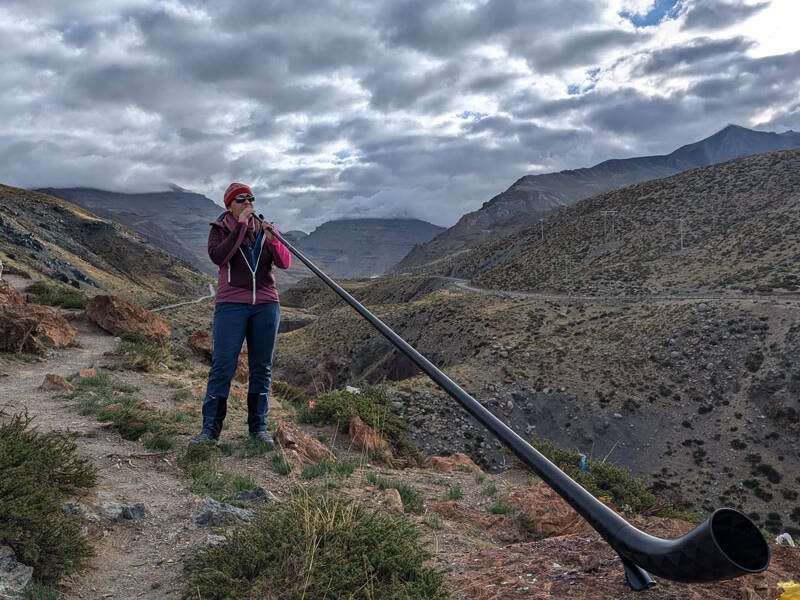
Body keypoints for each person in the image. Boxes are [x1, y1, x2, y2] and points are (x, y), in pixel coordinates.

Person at [189, 182, 291, 446]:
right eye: (241, 200)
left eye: (251, 199)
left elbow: (285, 262)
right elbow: (219, 257)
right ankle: (210, 431)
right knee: (222, 366)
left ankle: (258, 429)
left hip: (267, 305)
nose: (248, 204)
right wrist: (242, 227)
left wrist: (273, 240)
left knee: (262, 368)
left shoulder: (266, 228)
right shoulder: (220, 230)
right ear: (229, 207)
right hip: (231, 305)